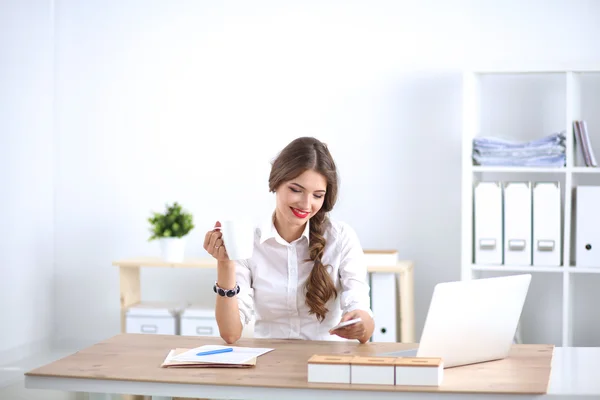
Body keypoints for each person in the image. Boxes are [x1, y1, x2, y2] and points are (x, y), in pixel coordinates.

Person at [203, 137, 375, 344]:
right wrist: (225, 263)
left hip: (327, 362)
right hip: (270, 363)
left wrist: (360, 324)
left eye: (318, 195)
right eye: (296, 190)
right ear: (276, 182)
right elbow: (231, 333)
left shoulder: (340, 238)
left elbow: (364, 320)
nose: (306, 204)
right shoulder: (249, 241)